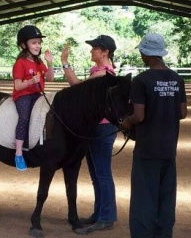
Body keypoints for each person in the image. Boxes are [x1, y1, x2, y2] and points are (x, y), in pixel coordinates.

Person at [122, 33, 187, 238]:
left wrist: (127, 121)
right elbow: (183, 112)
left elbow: (139, 115)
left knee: (144, 197)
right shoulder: (177, 79)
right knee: (166, 196)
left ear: (145, 54)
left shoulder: (142, 80)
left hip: (147, 148)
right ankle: (163, 233)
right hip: (169, 148)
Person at [61, 35, 118, 233]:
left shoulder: (102, 75)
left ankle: (106, 217)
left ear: (105, 52)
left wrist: (65, 63)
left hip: (101, 128)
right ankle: (100, 213)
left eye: (95, 48)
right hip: (97, 128)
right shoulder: (99, 72)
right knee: (97, 174)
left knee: (102, 174)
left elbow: (77, 89)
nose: (91, 51)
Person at [12, 25, 54, 171]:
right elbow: (17, 86)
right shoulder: (20, 63)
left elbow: (50, 79)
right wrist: (31, 81)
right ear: (24, 45)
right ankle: (18, 152)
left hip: (37, 95)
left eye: (39, 43)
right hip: (23, 96)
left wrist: (49, 62)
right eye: (34, 43)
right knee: (24, 117)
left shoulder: (38, 62)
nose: (38, 46)